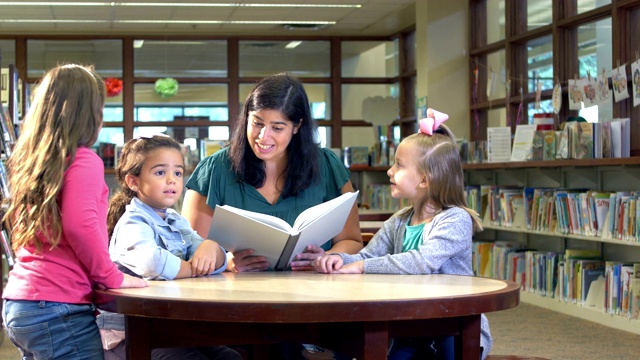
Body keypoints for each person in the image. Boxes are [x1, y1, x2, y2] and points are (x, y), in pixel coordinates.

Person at [313, 108, 493, 360]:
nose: (389, 170)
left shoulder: (455, 219)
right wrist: (338, 260)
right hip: (411, 326)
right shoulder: (399, 221)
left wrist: (361, 266)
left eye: (398, 164)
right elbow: (368, 255)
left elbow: (421, 262)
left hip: (452, 326)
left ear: (424, 180)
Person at [1, 64, 148, 360]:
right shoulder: (83, 161)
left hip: (21, 302)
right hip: (59, 306)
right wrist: (111, 277)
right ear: (88, 113)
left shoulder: (32, 163)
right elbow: (81, 226)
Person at [182, 72, 363, 272]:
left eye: (277, 128)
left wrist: (328, 258)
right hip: (234, 294)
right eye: (257, 123)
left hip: (314, 292)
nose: (263, 137)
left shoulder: (327, 166)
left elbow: (352, 242)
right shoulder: (214, 170)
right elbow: (191, 248)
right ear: (246, 118)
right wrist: (226, 263)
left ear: (297, 126)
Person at [98, 135, 241, 360]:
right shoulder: (132, 222)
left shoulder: (175, 219)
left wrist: (212, 247)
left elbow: (212, 258)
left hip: (168, 325)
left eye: (177, 173)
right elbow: (152, 262)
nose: (171, 180)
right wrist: (193, 268)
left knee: (230, 357)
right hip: (131, 332)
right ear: (133, 182)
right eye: (160, 173)